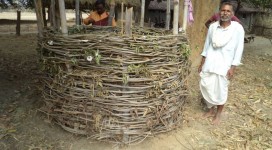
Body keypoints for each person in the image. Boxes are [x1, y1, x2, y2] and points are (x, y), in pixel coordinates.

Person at [198, 2, 244, 125]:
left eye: (228, 11)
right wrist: (202, 63)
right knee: (206, 86)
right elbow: (206, 46)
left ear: (232, 13)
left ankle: (218, 114)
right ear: (219, 12)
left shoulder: (237, 28)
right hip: (210, 62)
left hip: (225, 65)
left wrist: (233, 67)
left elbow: (239, 49)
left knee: (221, 90)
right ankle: (211, 110)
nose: (225, 13)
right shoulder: (213, 27)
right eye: (223, 10)